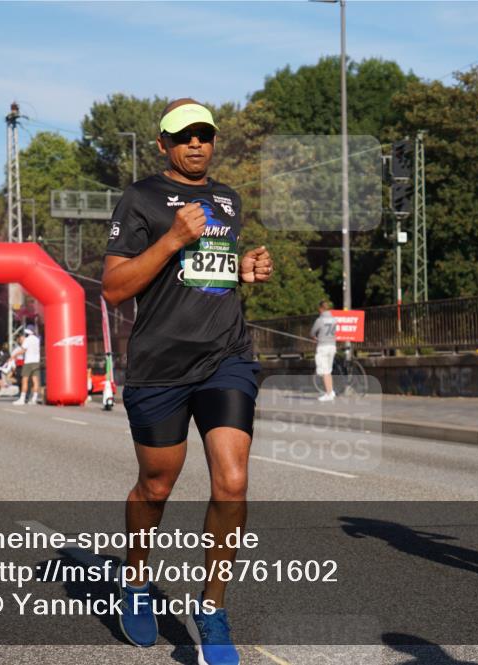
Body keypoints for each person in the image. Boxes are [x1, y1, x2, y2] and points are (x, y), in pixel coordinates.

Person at [102, 98, 273, 665]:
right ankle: (135, 581)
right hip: (161, 366)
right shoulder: (141, 199)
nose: (196, 144)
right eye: (184, 136)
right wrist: (172, 238)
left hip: (227, 357)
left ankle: (213, 609)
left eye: (205, 135)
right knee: (156, 486)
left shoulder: (229, 199)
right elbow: (115, 288)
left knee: (232, 479)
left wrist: (241, 270)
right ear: (163, 144)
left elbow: (207, 276)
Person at [310, 300, 338, 402]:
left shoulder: (320, 320)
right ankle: (331, 391)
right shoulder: (334, 320)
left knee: (324, 370)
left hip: (323, 347)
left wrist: (314, 337)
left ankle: (329, 394)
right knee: (328, 370)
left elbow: (312, 332)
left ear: (321, 309)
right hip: (332, 346)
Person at [12, 328, 41, 405]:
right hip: (36, 361)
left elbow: (23, 350)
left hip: (28, 362)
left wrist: (14, 355)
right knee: (35, 381)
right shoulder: (37, 339)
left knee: (24, 380)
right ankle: (34, 399)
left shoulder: (27, 340)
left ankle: (22, 398)